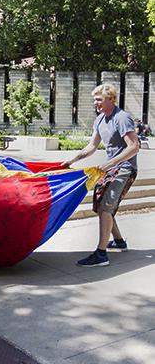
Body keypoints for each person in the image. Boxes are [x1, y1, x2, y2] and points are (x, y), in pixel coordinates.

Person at [62, 84, 139, 267]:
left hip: (124, 168)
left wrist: (110, 163)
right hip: (111, 168)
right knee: (101, 205)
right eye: (94, 99)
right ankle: (119, 241)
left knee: (105, 208)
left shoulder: (122, 118)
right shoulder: (100, 120)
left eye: (99, 99)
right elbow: (91, 146)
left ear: (111, 99)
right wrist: (71, 161)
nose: (95, 103)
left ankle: (101, 254)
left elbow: (134, 147)